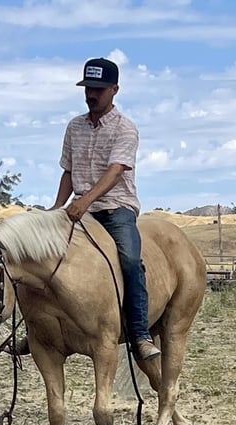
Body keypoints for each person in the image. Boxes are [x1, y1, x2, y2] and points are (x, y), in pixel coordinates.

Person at [48, 57, 160, 361]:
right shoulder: (74, 127)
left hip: (115, 208)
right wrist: (58, 207)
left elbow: (115, 171)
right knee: (41, 255)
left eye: (98, 88)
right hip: (77, 210)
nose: (91, 94)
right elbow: (69, 172)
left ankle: (140, 334)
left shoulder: (125, 128)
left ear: (114, 90)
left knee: (129, 259)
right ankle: (40, 330)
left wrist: (85, 201)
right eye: (87, 87)